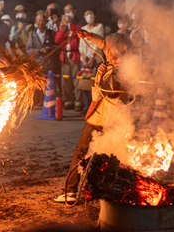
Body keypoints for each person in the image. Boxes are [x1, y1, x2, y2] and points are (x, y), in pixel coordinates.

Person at [54, 31, 131, 203]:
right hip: (117, 122)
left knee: (81, 152)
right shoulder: (130, 68)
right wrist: (88, 35)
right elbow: (104, 44)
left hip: (100, 118)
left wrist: (99, 80)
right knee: (112, 157)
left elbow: (103, 94)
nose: (104, 50)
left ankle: (71, 192)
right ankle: (107, 191)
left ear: (114, 53)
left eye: (108, 49)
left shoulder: (114, 72)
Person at [26, 14, 60, 106]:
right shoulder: (32, 35)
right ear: (36, 22)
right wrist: (39, 51)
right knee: (37, 84)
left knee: (49, 84)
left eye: (43, 21)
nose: (41, 23)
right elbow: (28, 50)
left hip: (50, 64)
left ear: (46, 22)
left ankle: (49, 103)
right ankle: (36, 102)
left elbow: (58, 46)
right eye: (39, 21)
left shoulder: (51, 33)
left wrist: (50, 48)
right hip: (38, 63)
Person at [78, 9, 104, 113]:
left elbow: (98, 42)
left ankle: (95, 107)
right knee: (85, 83)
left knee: (96, 83)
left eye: (91, 14)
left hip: (96, 58)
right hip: (84, 60)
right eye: (87, 14)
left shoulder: (99, 27)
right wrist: (83, 58)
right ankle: (86, 106)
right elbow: (81, 45)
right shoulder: (83, 28)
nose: (89, 16)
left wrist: (92, 58)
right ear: (84, 17)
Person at [55, 14, 81, 111]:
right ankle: (68, 100)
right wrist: (62, 30)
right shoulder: (62, 28)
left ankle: (78, 100)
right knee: (65, 79)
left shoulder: (76, 27)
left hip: (75, 55)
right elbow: (58, 40)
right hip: (65, 56)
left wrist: (72, 27)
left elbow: (79, 38)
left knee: (76, 78)